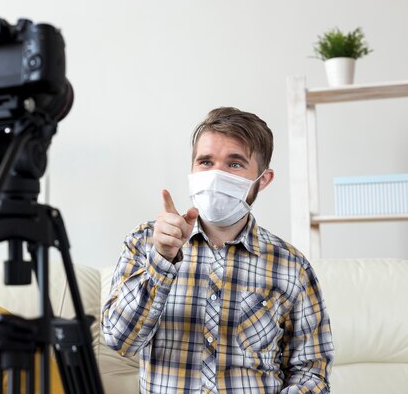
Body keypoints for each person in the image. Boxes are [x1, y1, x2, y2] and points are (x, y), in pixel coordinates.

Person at [101, 107, 334, 394]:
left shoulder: (291, 265)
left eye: (234, 164)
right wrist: (162, 259)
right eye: (206, 162)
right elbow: (118, 340)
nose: (216, 175)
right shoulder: (144, 242)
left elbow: (311, 369)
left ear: (263, 179)